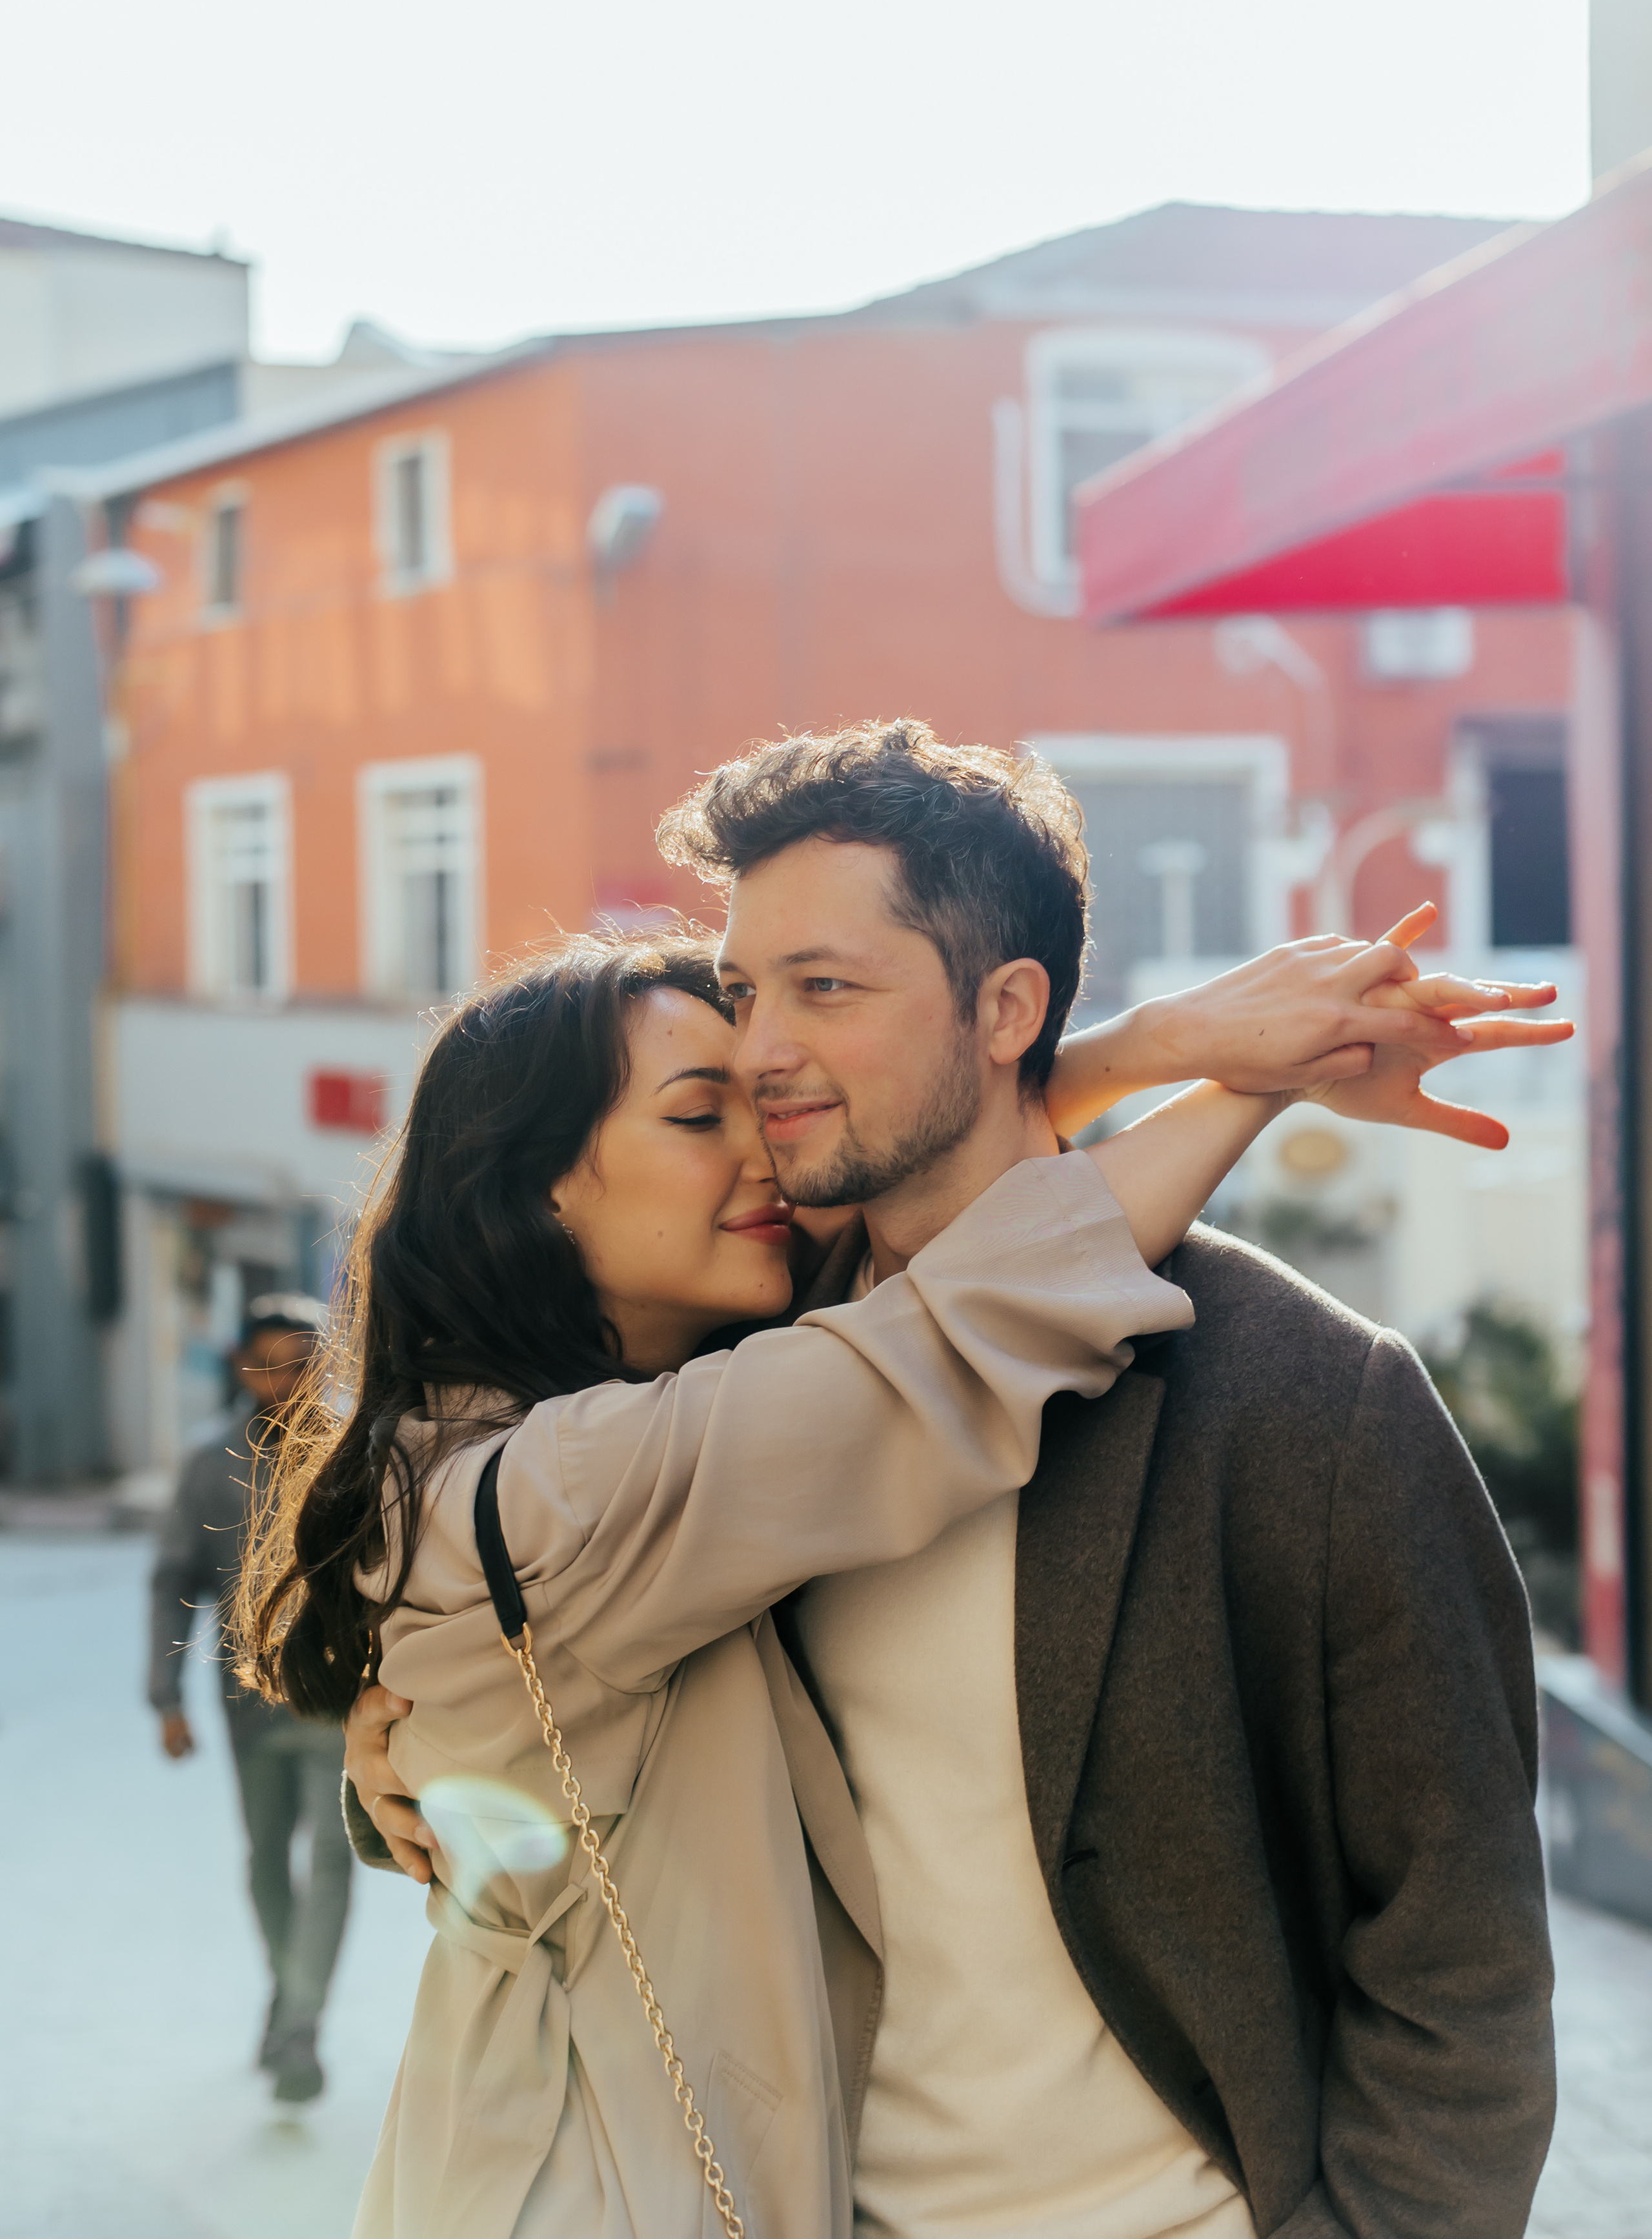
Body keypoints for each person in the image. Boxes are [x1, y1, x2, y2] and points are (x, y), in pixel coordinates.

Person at [347, 724, 1567, 2239]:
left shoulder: (1306, 1397)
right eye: (744, 991)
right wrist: (411, 1755)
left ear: (1006, 1009)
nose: (757, 1050)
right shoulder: (724, 1370)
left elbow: (1458, 1951)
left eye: (824, 987)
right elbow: (560, 1661)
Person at [150, 1292, 352, 2107]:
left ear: (324, 1365)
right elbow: (174, 1581)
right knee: (266, 1856)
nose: (283, 1381)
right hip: (249, 1706)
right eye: (267, 1366)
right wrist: (165, 1698)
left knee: (334, 1859)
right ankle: (289, 1986)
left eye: (300, 1365)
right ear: (241, 1368)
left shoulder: (357, 1451)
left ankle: (300, 2025)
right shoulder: (210, 1467)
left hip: (340, 1698)